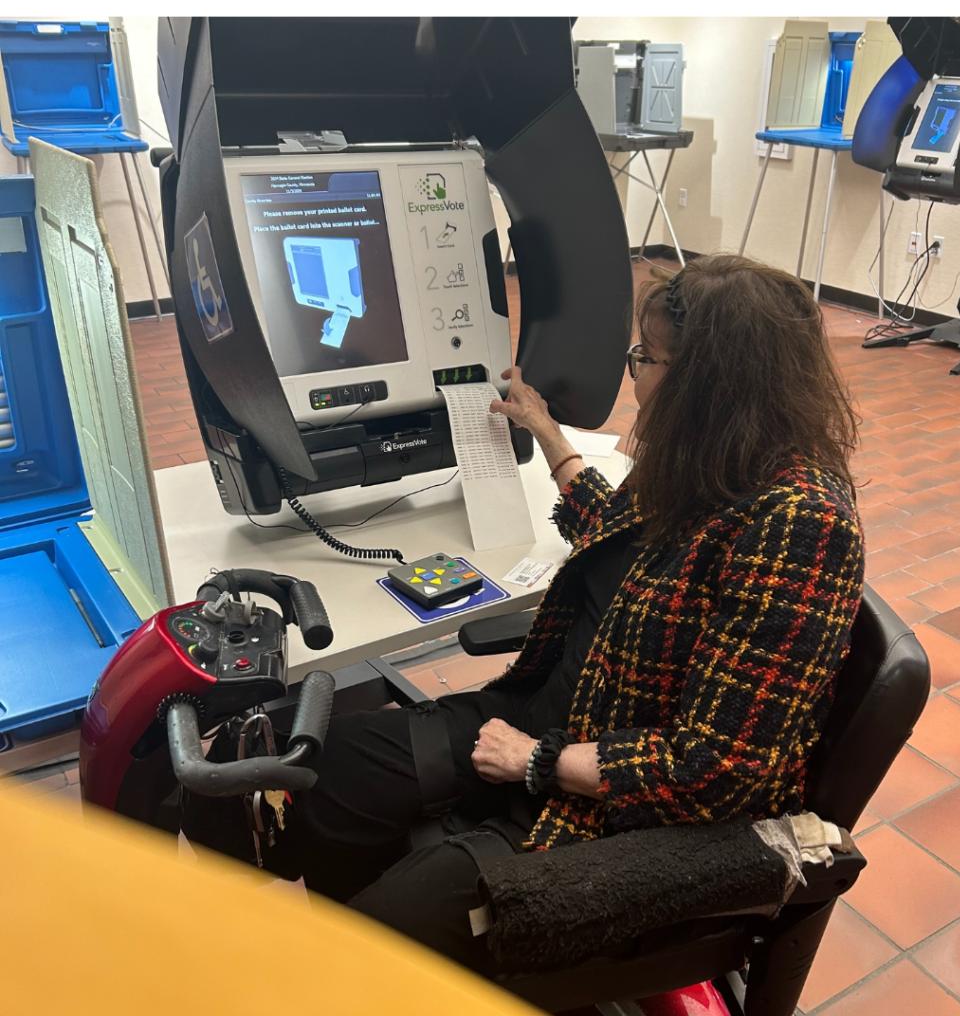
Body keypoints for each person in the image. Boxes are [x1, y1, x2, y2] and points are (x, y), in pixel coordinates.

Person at [186, 254, 865, 975]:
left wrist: (537, 761)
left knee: (368, 950)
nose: (635, 372)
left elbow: (716, 771)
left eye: (647, 357)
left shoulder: (802, 525)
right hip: (534, 722)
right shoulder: (710, 463)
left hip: (604, 814)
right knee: (324, 781)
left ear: (707, 387)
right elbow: (620, 541)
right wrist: (547, 435)